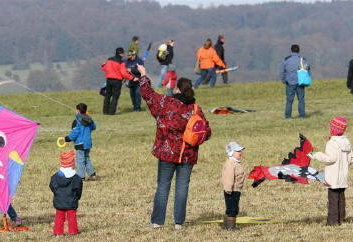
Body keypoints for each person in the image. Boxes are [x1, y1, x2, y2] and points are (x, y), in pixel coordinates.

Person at [137, 65, 212, 230]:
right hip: (188, 154)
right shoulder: (195, 109)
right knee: (182, 187)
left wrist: (143, 74)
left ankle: (157, 221)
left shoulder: (166, 103)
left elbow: (147, 94)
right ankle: (179, 222)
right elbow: (206, 132)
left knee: (163, 185)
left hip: (167, 153)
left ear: (177, 89)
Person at [308, 116, 353, 226]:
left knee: (333, 199)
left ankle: (332, 222)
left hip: (333, 177)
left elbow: (330, 158)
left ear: (333, 129)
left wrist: (316, 155)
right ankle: (341, 219)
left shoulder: (332, 143)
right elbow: (351, 158)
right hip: (343, 177)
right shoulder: (346, 142)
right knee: (341, 199)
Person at [50, 151, 83, 235]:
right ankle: (73, 231)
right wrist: (77, 197)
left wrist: (57, 193)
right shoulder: (76, 178)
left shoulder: (55, 177)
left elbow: (52, 186)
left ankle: (58, 232)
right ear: (72, 164)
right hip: (71, 201)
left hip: (59, 200)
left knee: (59, 217)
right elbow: (78, 189)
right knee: (72, 217)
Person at [65, 103, 97, 181]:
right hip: (88, 143)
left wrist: (68, 138)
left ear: (78, 111)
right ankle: (92, 174)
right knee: (86, 158)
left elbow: (76, 132)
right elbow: (94, 126)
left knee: (80, 160)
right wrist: (88, 117)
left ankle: (81, 177)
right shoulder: (89, 120)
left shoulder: (77, 121)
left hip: (80, 144)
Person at [101, 47, 137, 115]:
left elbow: (104, 68)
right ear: (121, 54)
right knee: (115, 96)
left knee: (107, 95)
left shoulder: (109, 60)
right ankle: (111, 112)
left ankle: (105, 111)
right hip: (117, 81)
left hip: (108, 79)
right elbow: (123, 73)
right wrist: (132, 78)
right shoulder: (121, 62)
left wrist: (104, 66)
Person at [280, 44, 310, 119]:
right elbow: (307, 69)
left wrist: (283, 80)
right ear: (298, 50)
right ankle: (302, 116)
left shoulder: (286, 59)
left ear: (291, 50)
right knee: (301, 100)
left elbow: (282, 72)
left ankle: (288, 116)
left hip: (289, 82)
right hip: (301, 82)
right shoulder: (302, 59)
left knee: (289, 100)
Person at [221, 141, 245, 231]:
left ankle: (226, 225)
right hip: (232, 190)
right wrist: (228, 188)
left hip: (236, 190)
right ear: (231, 153)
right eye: (238, 151)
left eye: (240, 151)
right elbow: (229, 177)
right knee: (233, 209)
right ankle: (231, 226)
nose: (240, 153)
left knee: (231, 207)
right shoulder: (231, 164)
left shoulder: (235, 163)